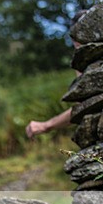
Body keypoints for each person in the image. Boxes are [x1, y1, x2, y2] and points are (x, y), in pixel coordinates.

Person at [25, 9, 87, 140]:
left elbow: (86, 106)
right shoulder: (81, 62)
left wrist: (46, 125)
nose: (76, 42)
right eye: (74, 36)